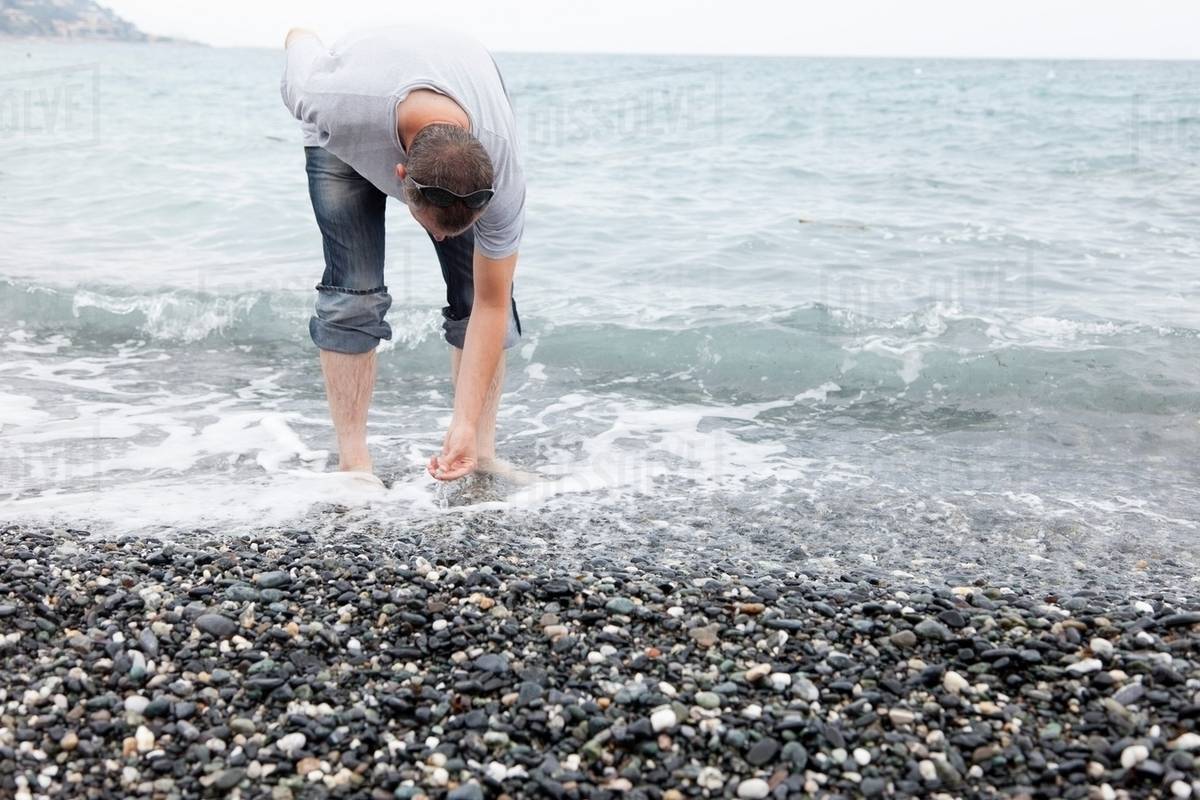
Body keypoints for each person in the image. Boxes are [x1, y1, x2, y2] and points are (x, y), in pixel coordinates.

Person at [281, 25, 525, 482]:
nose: (447, 240)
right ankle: (354, 465)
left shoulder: (502, 171)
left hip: (455, 75)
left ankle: (480, 453)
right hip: (346, 131)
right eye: (438, 229)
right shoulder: (325, 94)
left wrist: (464, 423)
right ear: (399, 178)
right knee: (353, 291)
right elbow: (298, 38)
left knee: (477, 292)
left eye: (462, 228)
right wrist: (304, 36)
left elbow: (491, 305)